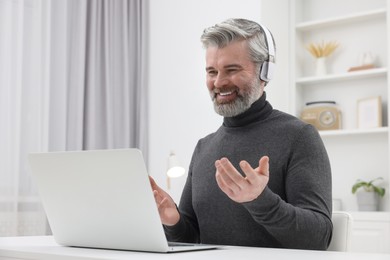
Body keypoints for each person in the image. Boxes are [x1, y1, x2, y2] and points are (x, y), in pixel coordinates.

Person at [149, 18, 332, 250]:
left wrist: (259, 200)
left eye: (232, 70)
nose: (219, 82)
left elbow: (319, 238)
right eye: (211, 71)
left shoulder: (299, 136)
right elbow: (192, 238)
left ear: (265, 71)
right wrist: (171, 219)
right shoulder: (204, 147)